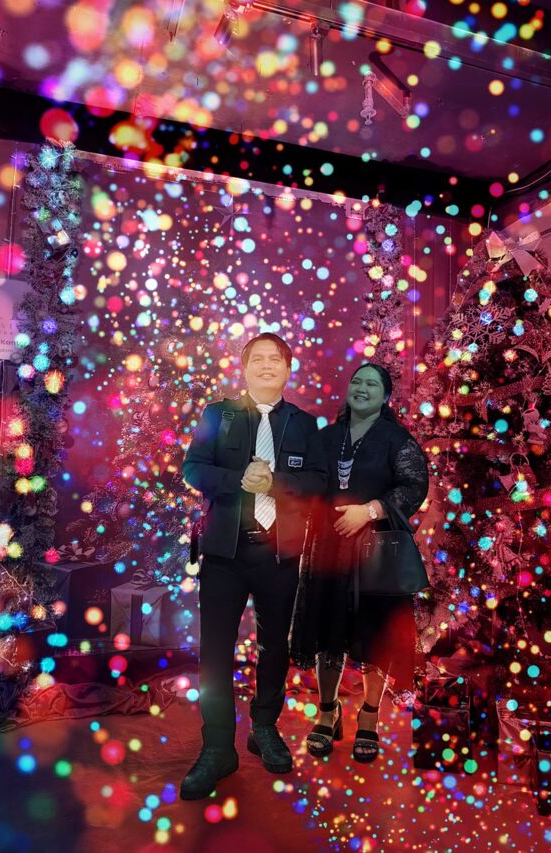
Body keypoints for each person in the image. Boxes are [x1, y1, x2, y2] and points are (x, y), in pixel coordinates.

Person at [180, 333, 327, 799]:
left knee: (274, 646)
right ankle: (217, 746)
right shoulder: (218, 415)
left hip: (279, 553)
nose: (266, 366)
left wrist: (275, 483)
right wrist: (237, 479)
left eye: (275, 359)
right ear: (243, 369)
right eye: (257, 359)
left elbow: (318, 482)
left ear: (288, 369)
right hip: (224, 554)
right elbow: (192, 468)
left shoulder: (305, 424)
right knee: (215, 652)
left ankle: (264, 727)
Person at [290, 363, 429, 763]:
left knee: (372, 636)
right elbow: (308, 484)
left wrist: (368, 511)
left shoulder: (396, 439)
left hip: (375, 552)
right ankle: (327, 712)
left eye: (371, 383)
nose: (361, 388)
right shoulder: (326, 438)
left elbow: (414, 485)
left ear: (385, 396)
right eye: (356, 381)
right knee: (327, 630)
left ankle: (369, 717)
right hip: (327, 549)